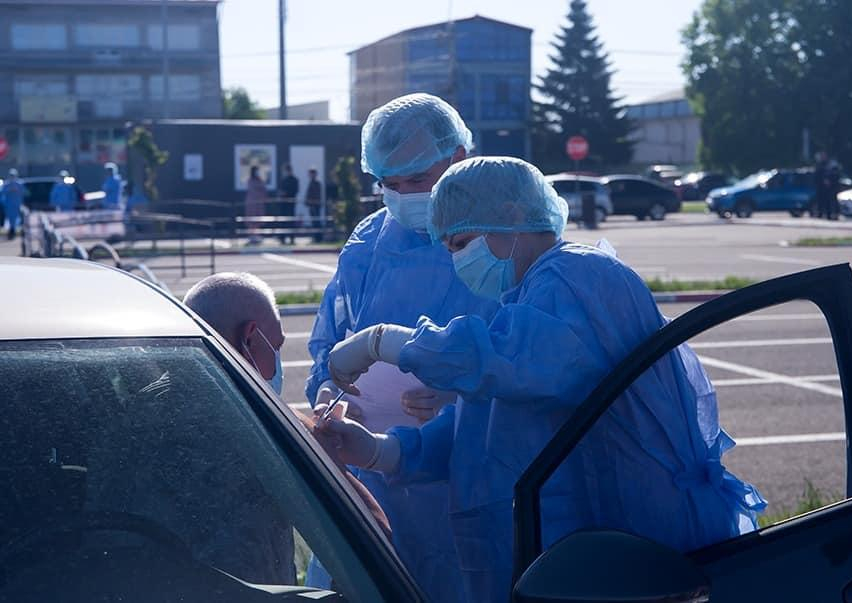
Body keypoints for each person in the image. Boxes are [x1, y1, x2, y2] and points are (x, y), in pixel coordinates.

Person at [319, 157, 766, 603]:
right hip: (564, 554)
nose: (458, 261)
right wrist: (383, 450)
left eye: (462, 243)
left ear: (513, 216)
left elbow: (500, 359)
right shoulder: (527, 292)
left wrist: (380, 342)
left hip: (621, 546)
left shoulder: (581, 278)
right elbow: (488, 431)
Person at [304, 93, 499, 602]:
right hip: (369, 478)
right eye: (389, 184)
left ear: (458, 158)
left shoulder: (500, 238)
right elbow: (330, 336)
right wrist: (327, 386)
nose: (403, 196)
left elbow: (529, 362)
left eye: (417, 180)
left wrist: (460, 397)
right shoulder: (370, 241)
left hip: (464, 486)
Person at [183, 272, 391, 583]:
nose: (278, 357)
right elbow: (373, 539)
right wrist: (326, 453)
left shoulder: (136, 413)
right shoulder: (266, 428)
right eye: (276, 345)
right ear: (250, 339)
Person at [245, 165, 268, 244]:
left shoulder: (260, 180)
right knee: (251, 219)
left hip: (258, 203)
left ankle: (257, 235)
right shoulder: (250, 180)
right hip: (252, 203)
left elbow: (263, 190)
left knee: (258, 220)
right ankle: (252, 236)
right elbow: (254, 190)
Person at [1, 168, 24, 240]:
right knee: (10, 218)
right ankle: (11, 229)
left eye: (13, 175)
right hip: (8, 204)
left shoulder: (19, 184)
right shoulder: (6, 184)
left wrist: (17, 190)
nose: (12, 177)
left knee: (16, 218)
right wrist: (9, 190)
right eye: (11, 175)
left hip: (16, 204)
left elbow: (24, 192)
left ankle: (13, 230)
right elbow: (2, 193)